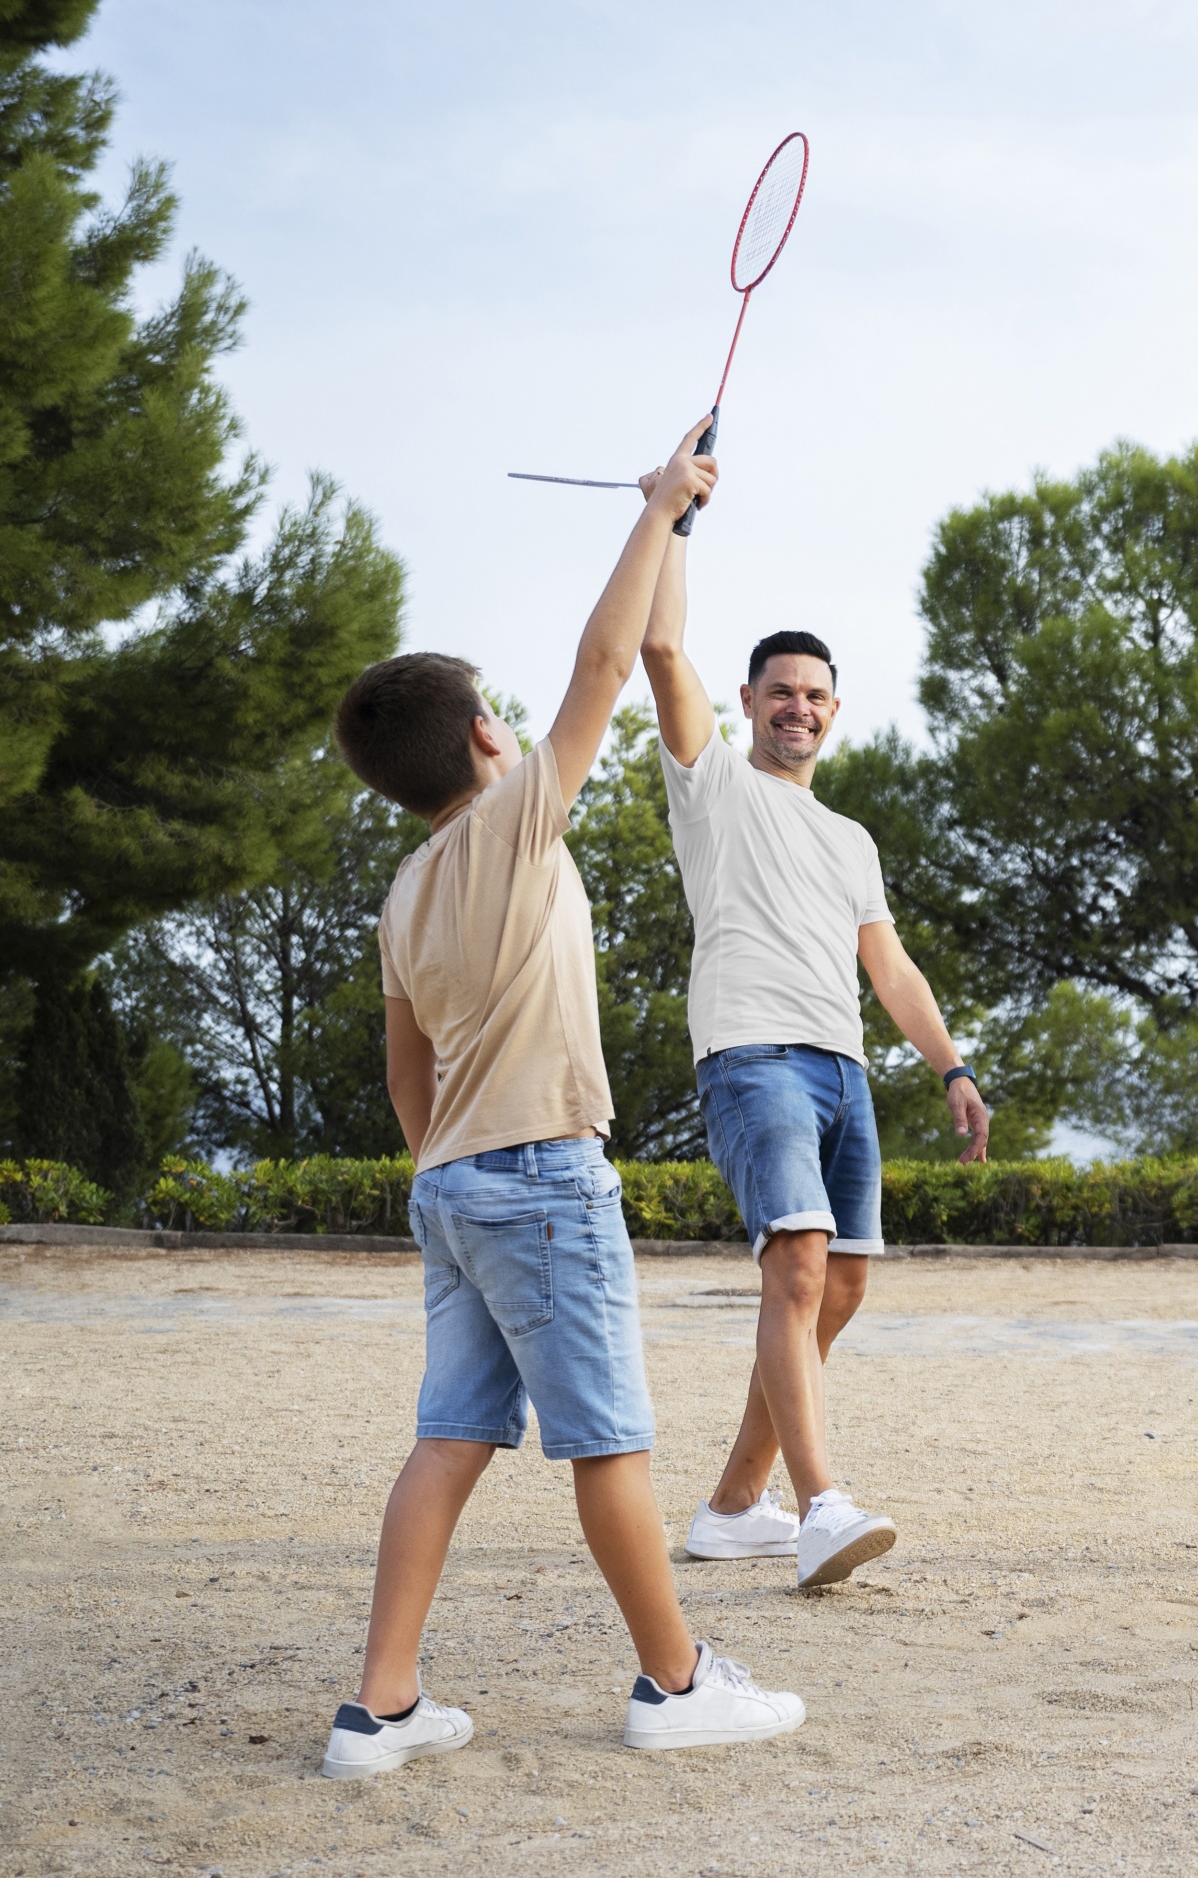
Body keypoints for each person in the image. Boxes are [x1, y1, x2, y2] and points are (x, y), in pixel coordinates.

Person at [319, 419, 803, 1781]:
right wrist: (655, 507)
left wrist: (450, 1167)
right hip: (538, 1179)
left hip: (452, 1186)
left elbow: (405, 1074)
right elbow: (605, 665)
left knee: (449, 1439)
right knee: (610, 1445)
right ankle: (677, 1681)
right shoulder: (511, 821)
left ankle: (381, 1707)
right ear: (487, 735)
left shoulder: (405, 891)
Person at [635, 497, 990, 1591]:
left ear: (835, 711)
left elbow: (892, 970)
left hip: (845, 1073)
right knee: (792, 1267)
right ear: (746, 701)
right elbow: (659, 646)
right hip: (753, 1056)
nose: (798, 707)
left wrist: (951, 1066)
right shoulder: (712, 784)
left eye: (816, 695)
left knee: (836, 1290)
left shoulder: (851, 838)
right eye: (780, 691)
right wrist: (672, 520)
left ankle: (734, 1508)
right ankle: (823, 1505)